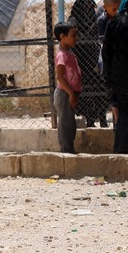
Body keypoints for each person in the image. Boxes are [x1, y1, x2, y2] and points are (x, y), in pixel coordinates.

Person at [69, 0, 108, 128]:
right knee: (85, 93)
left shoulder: (94, 19)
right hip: (80, 65)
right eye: (87, 7)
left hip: (95, 63)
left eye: (91, 8)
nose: (90, 10)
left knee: (101, 90)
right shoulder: (73, 21)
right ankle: (90, 119)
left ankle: (102, 118)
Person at [102, 0, 128, 153]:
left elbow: (107, 55)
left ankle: (123, 154)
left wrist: (110, 79)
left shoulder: (114, 23)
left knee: (124, 115)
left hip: (121, 81)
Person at [53, 22, 81, 154]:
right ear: (62, 36)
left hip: (69, 93)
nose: (76, 37)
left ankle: (68, 150)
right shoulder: (62, 55)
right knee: (66, 125)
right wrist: (71, 94)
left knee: (69, 123)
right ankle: (66, 152)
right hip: (65, 94)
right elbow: (60, 77)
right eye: (73, 35)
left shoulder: (69, 53)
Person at [97, 0, 121, 125]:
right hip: (107, 56)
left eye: (118, 9)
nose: (116, 12)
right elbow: (103, 42)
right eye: (114, 9)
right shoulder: (102, 20)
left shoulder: (118, 18)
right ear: (105, 8)